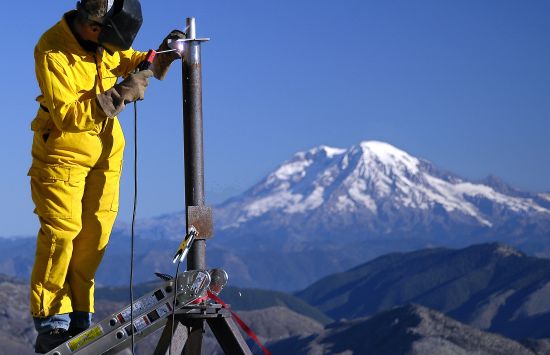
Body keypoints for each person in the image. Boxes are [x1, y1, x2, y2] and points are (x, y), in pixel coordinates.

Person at [28, 0, 184, 352]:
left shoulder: (104, 41)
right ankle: (53, 321)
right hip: (63, 154)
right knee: (61, 235)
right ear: (93, 25)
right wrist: (118, 95)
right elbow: (67, 115)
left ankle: (79, 316)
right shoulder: (53, 50)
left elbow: (127, 60)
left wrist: (158, 58)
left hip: (105, 151)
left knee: (94, 236)